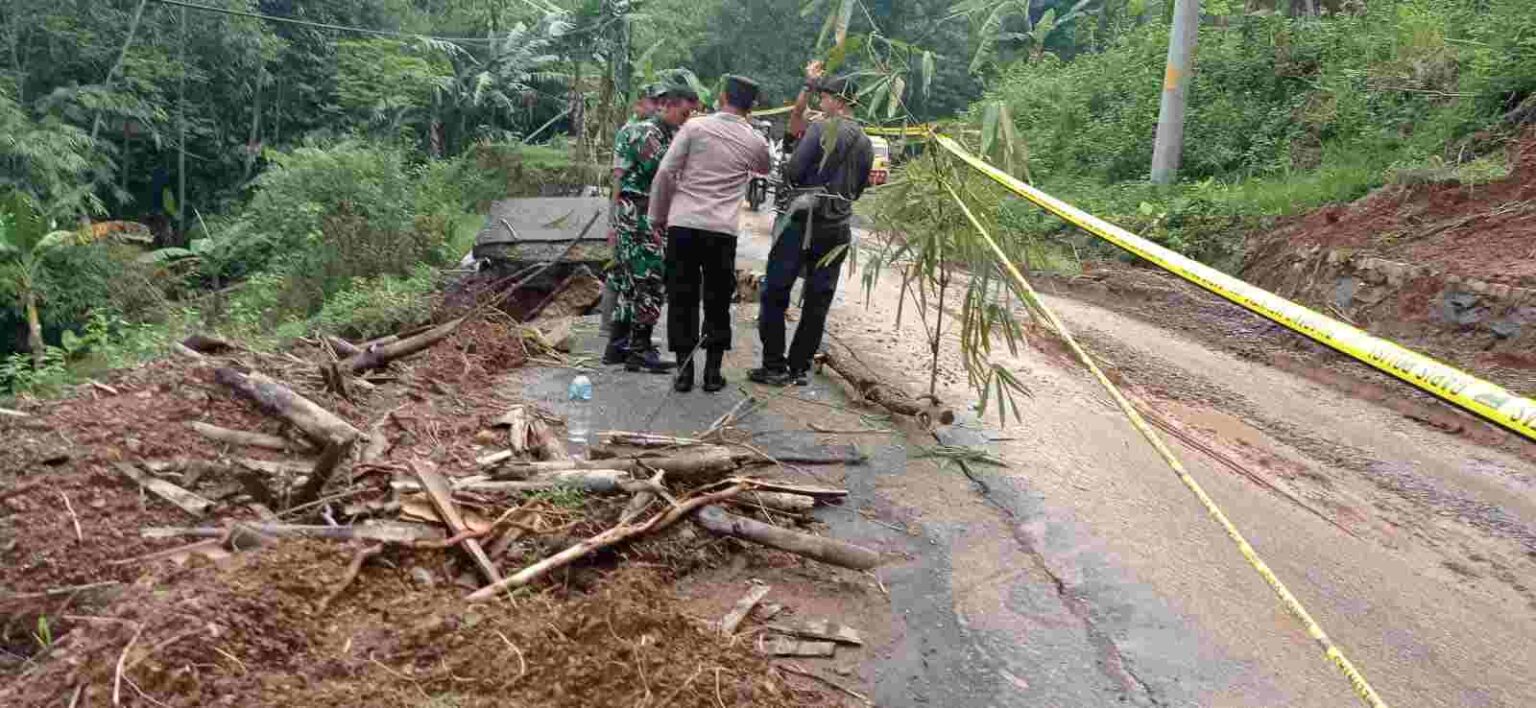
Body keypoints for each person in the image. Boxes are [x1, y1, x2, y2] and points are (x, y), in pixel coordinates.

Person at [749, 70, 873, 387]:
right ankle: (798, 367)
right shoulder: (865, 141)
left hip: (802, 223)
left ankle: (774, 365)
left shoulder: (820, 128)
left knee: (776, 290)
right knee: (818, 300)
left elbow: (792, 171)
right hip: (838, 228)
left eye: (825, 97)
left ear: (837, 100)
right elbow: (858, 190)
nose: (822, 103)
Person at [649, 75, 772, 393]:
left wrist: (657, 217)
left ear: (721, 96)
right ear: (751, 105)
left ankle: (685, 371)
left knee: (682, 297)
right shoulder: (755, 140)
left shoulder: (694, 127)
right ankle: (713, 374)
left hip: (683, 224)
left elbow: (665, 172)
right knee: (717, 300)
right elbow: (763, 168)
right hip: (721, 231)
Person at [603, 80, 700, 373]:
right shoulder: (649, 134)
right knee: (650, 281)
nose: (687, 121)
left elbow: (620, 176)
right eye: (684, 114)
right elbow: (666, 174)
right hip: (642, 215)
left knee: (629, 282)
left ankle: (618, 346)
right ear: (667, 106)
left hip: (633, 214)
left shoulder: (647, 131)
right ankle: (639, 349)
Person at [599, 86, 660, 339]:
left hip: (640, 211)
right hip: (629, 210)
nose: (657, 107)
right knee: (622, 270)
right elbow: (618, 177)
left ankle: (622, 332)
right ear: (639, 104)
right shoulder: (631, 132)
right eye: (652, 102)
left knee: (629, 270)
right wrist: (612, 221)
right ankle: (612, 330)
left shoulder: (650, 132)